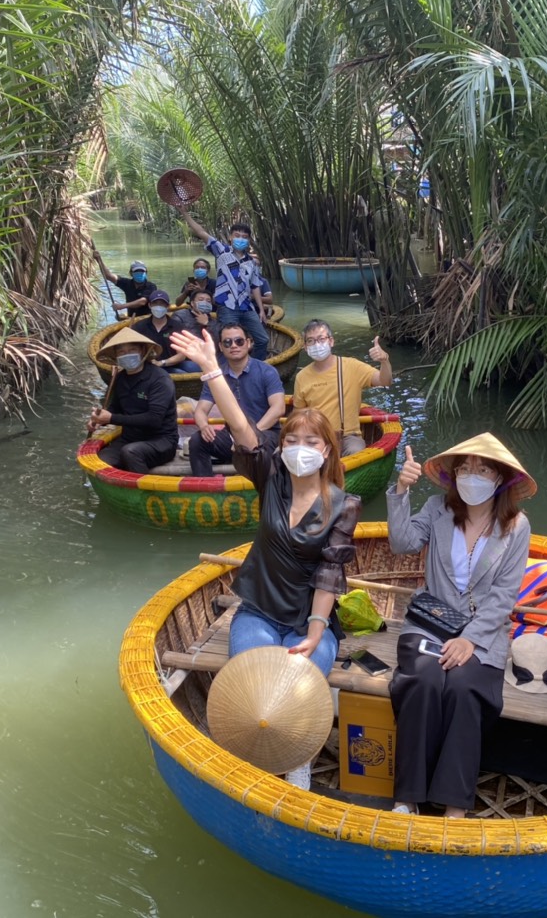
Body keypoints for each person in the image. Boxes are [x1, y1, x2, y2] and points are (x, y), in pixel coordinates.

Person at [168, 327, 361, 789]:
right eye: (292, 440)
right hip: (259, 611)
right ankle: (251, 762)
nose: (300, 449)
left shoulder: (343, 504)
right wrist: (212, 370)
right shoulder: (270, 476)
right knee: (253, 695)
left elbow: (329, 575)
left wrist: (315, 635)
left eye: (311, 443)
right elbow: (241, 429)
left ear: (327, 450)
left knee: (298, 693)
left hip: (308, 620)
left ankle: (299, 758)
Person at [386, 434, 535, 817]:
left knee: (465, 688)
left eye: (482, 469)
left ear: (500, 478)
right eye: (465, 469)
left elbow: (504, 596)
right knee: (424, 680)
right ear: (453, 476)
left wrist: (470, 639)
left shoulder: (516, 527)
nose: (472, 476)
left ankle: (454, 804)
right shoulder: (438, 509)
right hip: (430, 621)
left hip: (483, 631)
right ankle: (407, 797)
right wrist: (401, 489)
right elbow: (402, 542)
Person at [189, 323, 285, 476]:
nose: (233, 345)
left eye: (239, 341)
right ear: (220, 346)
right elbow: (201, 410)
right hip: (232, 436)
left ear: (248, 343)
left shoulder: (267, 371)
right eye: (227, 342)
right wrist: (203, 426)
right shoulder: (215, 376)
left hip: (266, 431)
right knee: (197, 440)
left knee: (258, 447)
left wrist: (251, 433)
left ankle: (263, 491)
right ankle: (206, 490)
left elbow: (278, 408)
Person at [292, 319, 393, 456]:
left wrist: (384, 360)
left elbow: (384, 381)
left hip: (348, 436)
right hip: (316, 436)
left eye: (321, 339)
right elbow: (299, 414)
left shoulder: (351, 366)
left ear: (331, 341)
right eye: (311, 341)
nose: (317, 344)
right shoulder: (302, 376)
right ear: (305, 347)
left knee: (355, 451)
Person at [177, 212, 269, 360]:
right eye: (237, 235)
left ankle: (254, 367)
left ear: (249, 240)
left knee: (263, 339)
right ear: (231, 237)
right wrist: (185, 213)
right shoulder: (222, 251)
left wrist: (261, 311)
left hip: (247, 307)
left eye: (244, 237)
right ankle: (227, 371)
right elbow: (201, 232)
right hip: (227, 307)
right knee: (227, 341)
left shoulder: (251, 262)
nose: (240, 239)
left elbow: (255, 286)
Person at [87, 328, 179, 473]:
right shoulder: (120, 378)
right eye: (121, 352)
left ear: (142, 351)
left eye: (132, 350)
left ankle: (147, 494)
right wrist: (99, 419)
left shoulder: (159, 379)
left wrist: (111, 418)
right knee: (99, 462)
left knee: (131, 452)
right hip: (129, 438)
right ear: (116, 356)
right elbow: (115, 408)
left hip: (162, 441)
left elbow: (154, 419)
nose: (127, 355)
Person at [159, 290, 218, 373]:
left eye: (208, 301)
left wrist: (207, 324)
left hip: (205, 358)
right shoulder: (180, 316)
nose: (204, 303)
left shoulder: (213, 321)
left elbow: (217, 343)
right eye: (201, 300)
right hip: (184, 357)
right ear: (192, 303)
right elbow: (172, 336)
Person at [132, 289, 175, 367]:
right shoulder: (139, 327)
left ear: (168, 306)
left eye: (162, 304)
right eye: (155, 304)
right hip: (145, 366)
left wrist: (162, 363)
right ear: (149, 305)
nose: (158, 307)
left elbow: (182, 354)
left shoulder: (176, 326)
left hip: (170, 364)